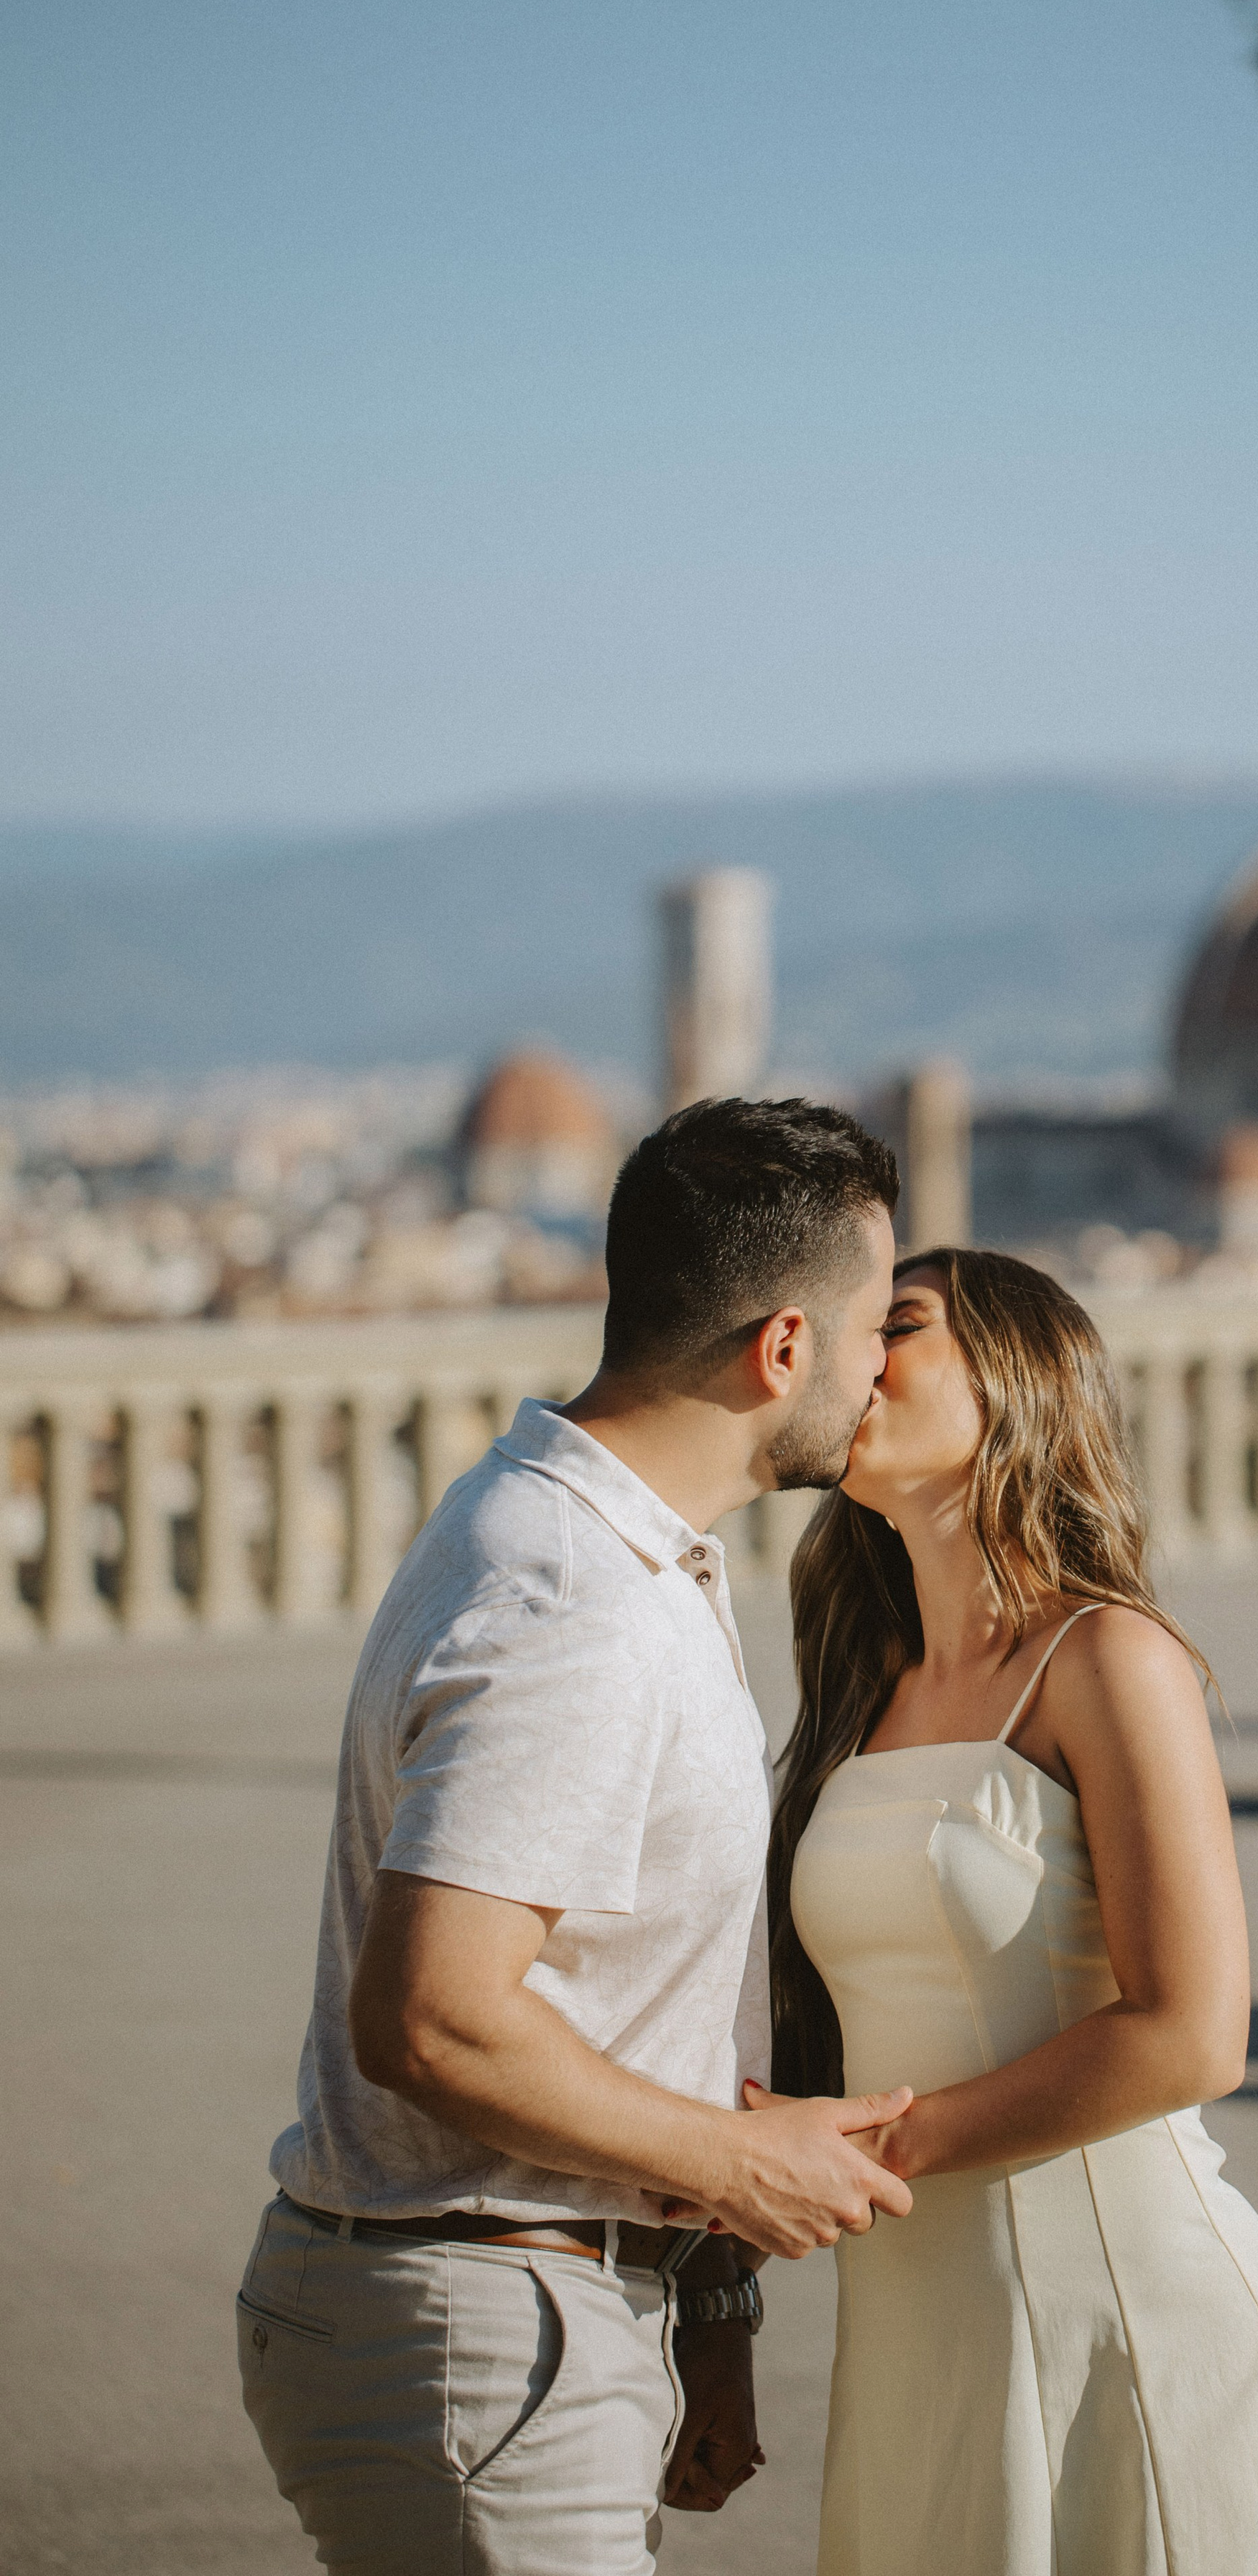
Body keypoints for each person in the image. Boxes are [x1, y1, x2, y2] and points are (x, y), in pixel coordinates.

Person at [239, 1096, 916, 2576]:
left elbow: (622, 1995)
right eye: (874, 1324)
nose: (883, 1370)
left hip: (515, 2307)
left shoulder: (613, 1544)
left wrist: (712, 2306)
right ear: (783, 1347)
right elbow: (430, 2019)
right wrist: (744, 2172)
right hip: (482, 2328)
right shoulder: (579, 1608)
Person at [766, 1246, 1258, 2576]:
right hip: (914, 2339)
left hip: (1126, 2327)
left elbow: (1191, 2036)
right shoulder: (859, 1683)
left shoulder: (1108, 1656)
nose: (852, 1356)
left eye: (897, 1324)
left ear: (1017, 1376)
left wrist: (876, 2155)